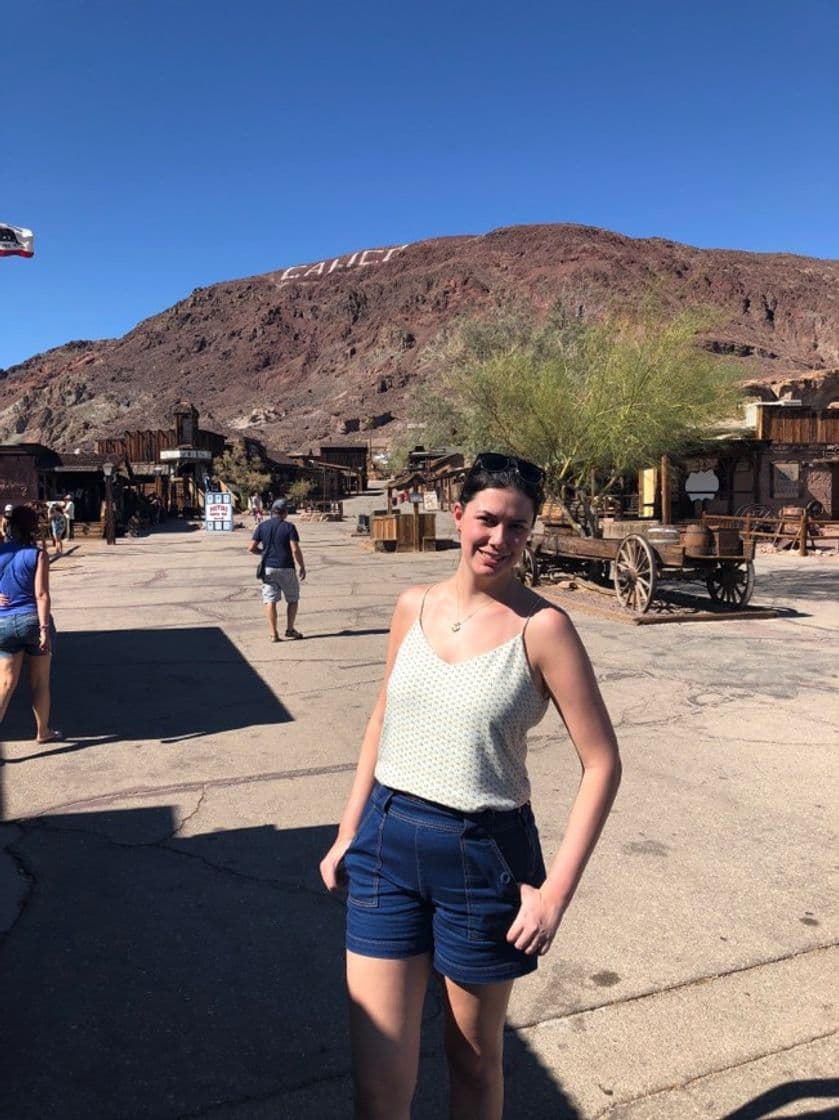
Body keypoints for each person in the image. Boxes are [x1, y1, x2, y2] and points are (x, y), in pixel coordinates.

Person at [320, 452, 622, 1120]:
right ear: (456, 515)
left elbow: (602, 764)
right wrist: (347, 832)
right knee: (376, 1083)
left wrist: (553, 896)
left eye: (517, 527)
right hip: (385, 842)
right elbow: (381, 719)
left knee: (474, 1060)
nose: (499, 539)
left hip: (483, 854)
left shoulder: (543, 630)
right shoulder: (411, 606)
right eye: (487, 519)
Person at [0, 505, 61, 743]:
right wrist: (44, 630)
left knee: (5, 683)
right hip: (33, 621)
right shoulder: (37, 555)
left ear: (11, 526)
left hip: (3, 622)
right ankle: (43, 731)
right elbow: (42, 595)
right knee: (40, 681)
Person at [248, 498, 306, 641]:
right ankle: (290, 629)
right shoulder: (289, 527)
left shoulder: (262, 526)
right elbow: (295, 549)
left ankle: (274, 633)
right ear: (285, 512)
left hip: (268, 568)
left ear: (272, 511)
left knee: (270, 600)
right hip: (286, 567)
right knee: (292, 599)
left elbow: (251, 548)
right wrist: (302, 566)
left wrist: (264, 553)